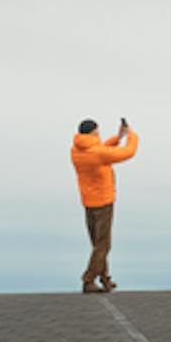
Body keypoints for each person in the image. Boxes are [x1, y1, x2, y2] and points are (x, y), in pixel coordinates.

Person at [70, 117, 139, 293]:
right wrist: (131, 135)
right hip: (103, 203)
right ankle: (89, 280)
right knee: (103, 245)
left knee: (97, 245)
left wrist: (117, 137)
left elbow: (101, 150)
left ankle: (105, 279)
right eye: (98, 132)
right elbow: (128, 152)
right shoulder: (97, 154)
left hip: (88, 203)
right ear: (93, 132)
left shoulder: (76, 150)